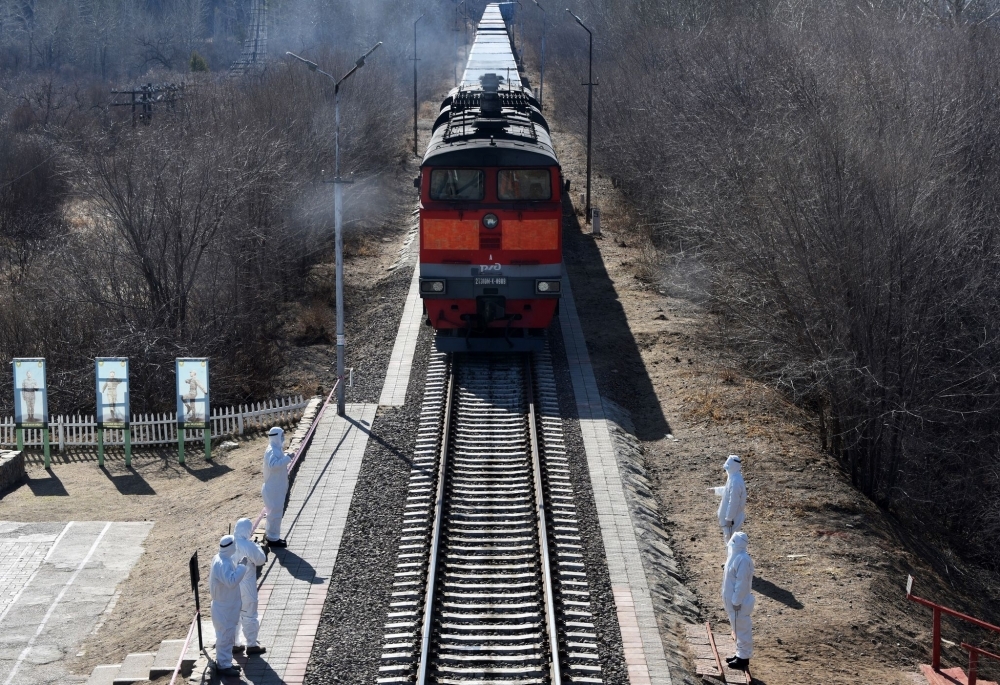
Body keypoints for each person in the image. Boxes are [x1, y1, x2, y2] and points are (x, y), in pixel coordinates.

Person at [209, 535, 249, 677]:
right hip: (224, 607)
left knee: (228, 634)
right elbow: (231, 581)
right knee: (224, 636)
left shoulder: (222, 559)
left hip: (227, 605)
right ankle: (223, 666)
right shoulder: (223, 563)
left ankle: (226, 662)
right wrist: (242, 567)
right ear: (231, 546)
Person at [721, 531, 755, 670]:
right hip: (732, 601)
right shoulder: (733, 556)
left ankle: (743, 657)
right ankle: (739, 653)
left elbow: (741, 584)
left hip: (739, 603)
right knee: (736, 627)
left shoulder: (743, 560)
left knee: (742, 628)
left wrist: (736, 601)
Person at [233, 518, 268, 655]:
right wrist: (257, 546)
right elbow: (260, 560)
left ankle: (235, 643)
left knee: (234, 615)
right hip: (246, 584)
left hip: (231, 585)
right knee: (249, 614)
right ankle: (252, 644)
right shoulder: (247, 545)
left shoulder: (229, 542)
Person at [261, 427, 292, 548]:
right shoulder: (272, 451)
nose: (283, 438)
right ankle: (273, 539)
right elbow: (274, 465)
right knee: (274, 513)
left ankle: (274, 536)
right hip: (273, 489)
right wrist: (288, 458)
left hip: (276, 488)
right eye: (281, 436)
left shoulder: (275, 449)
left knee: (276, 513)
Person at [709, 455, 747, 544]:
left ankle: (732, 557)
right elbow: (727, 491)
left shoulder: (736, 482)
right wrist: (715, 490)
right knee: (728, 539)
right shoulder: (733, 478)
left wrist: (729, 518)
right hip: (729, 517)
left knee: (731, 541)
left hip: (733, 518)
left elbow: (734, 502)